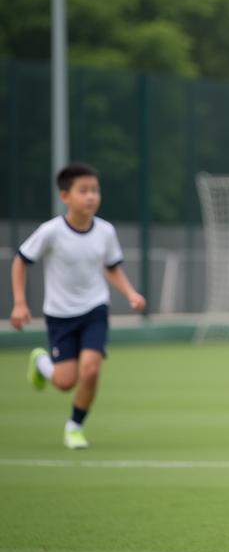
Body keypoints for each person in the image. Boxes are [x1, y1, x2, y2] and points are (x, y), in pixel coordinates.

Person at [9, 162, 146, 449]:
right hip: (60, 315)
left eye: (95, 190)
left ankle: (75, 426)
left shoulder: (106, 232)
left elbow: (111, 267)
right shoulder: (51, 231)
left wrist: (130, 293)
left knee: (92, 370)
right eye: (83, 191)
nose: (91, 197)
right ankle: (41, 361)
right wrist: (20, 303)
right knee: (64, 381)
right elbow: (21, 261)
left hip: (95, 309)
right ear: (65, 196)